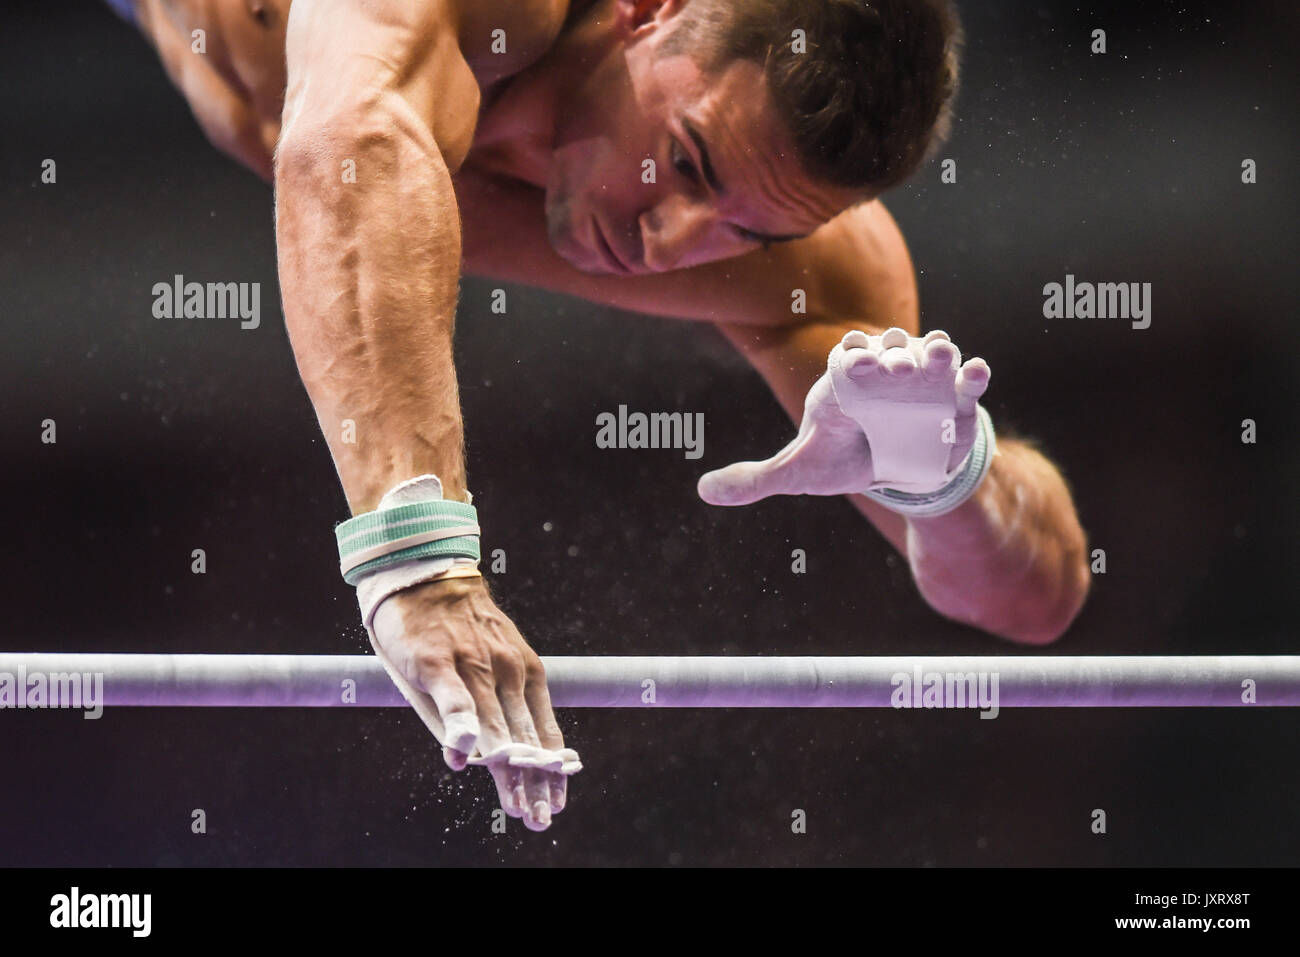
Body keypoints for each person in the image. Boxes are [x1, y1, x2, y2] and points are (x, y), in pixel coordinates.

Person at [106, 0, 1091, 831]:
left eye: (750, 230)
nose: (675, 243)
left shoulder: (812, 267)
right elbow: (346, 148)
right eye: (690, 162)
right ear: (648, 11)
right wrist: (419, 564)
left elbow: (1030, 601)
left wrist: (949, 475)